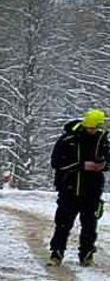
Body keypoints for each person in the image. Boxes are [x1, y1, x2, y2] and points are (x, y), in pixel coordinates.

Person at [48, 109, 109, 267]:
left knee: (90, 224)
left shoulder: (102, 140)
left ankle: (87, 254)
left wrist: (103, 165)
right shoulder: (68, 138)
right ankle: (56, 252)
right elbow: (56, 162)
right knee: (63, 223)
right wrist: (81, 165)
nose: (93, 131)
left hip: (92, 189)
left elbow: (108, 161)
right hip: (69, 187)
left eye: (95, 128)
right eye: (90, 128)